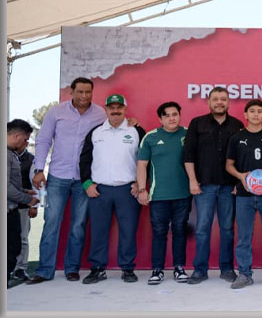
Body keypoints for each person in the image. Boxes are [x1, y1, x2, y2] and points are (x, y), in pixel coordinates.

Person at [29, 77, 106, 284]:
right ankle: (44, 270)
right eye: (80, 92)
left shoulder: (100, 113)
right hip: (58, 176)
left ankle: (72, 268)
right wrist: (38, 169)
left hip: (84, 179)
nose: (84, 96)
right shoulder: (56, 112)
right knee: (51, 223)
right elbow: (43, 139)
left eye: (88, 92)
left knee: (78, 225)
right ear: (71, 92)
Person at [79, 94, 145, 284]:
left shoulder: (137, 131)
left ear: (125, 109)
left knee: (128, 230)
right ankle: (98, 268)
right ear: (106, 110)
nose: (115, 111)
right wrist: (87, 184)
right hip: (100, 191)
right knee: (98, 231)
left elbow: (147, 161)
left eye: (119, 107)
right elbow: (84, 160)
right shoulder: (96, 132)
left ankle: (127, 268)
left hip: (128, 190)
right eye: (111, 108)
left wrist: (140, 185)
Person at [182, 85, 243, 284]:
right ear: (209, 102)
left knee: (227, 229)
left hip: (228, 187)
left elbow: (241, 158)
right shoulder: (197, 123)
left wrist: (238, 183)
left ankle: (226, 269)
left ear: (228, 102)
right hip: (203, 186)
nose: (219, 102)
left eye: (223, 99)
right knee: (202, 228)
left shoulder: (237, 125)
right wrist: (192, 180)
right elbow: (188, 154)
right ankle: (200, 270)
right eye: (215, 99)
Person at [225, 99, 262, 289]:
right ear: (245, 115)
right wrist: (241, 176)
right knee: (244, 236)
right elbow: (229, 165)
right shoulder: (237, 138)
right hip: (244, 194)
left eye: (260, 111)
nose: (256, 114)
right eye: (252, 111)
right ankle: (244, 274)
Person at [136, 101, 191, 285]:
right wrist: (142, 189)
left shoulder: (188, 134)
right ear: (160, 119)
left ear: (180, 115)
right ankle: (157, 269)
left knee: (179, 231)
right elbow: (141, 165)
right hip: (158, 195)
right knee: (159, 232)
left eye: (174, 114)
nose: (171, 118)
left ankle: (179, 267)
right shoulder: (150, 138)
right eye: (166, 115)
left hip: (183, 194)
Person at [7, 120, 39, 284]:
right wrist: (28, 198)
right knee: (12, 243)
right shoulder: (7, 154)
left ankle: (20, 269)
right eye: (26, 139)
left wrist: (30, 200)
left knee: (21, 240)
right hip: (11, 205)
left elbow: (32, 184)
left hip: (18, 206)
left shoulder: (30, 159)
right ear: (17, 136)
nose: (26, 143)